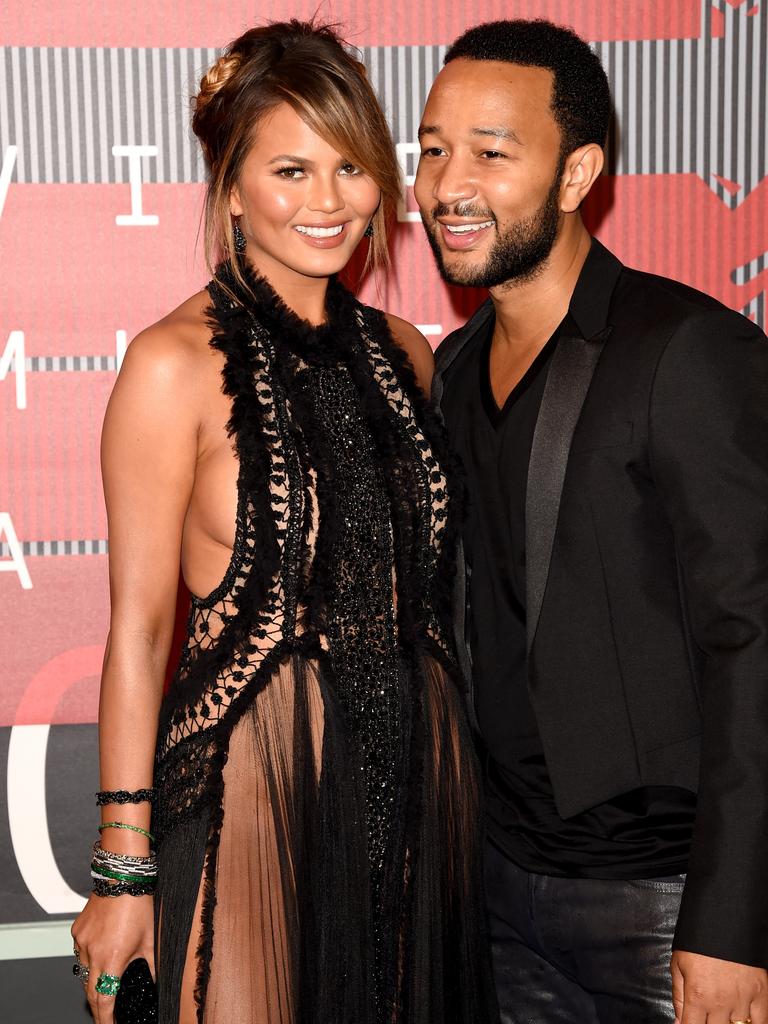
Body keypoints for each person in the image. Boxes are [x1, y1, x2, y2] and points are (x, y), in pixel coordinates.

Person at [71, 20, 497, 1024]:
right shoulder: (169, 367)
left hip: (419, 795)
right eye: (292, 170)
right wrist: (123, 868)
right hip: (251, 798)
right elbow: (137, 630)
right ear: (231, 184)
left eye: (350, 167)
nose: (328, 202)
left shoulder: (408, 354)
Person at [415, 17, 768, 1024]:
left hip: (664, 904)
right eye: (434, 148)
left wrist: (733, 922)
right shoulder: (445, 375)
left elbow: (756, 641)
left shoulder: (685, 352)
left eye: (492, 151)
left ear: (577, 175)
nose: (448, 184)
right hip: (500, 889)